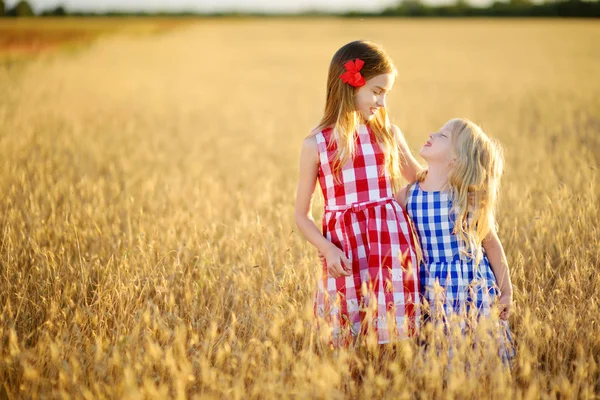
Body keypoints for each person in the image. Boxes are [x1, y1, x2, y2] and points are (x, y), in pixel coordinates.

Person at [294, 40, 422, 346]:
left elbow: (418, 178)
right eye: (377, 92)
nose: (382, 103)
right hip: (346, 252)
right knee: (349, 335)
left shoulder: (388, 133)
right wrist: (327, 249)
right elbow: (301, 214)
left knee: (395, 334)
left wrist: (462, 178)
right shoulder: (317, 144)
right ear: (350, 84)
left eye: (386, 94)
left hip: (391, 246)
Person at [397, 118, 514, 359]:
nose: (432, 133)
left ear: (455, 159)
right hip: (433, 288)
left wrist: (506, 292)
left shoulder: (466, 197)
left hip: (474, 287)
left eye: (442, 136)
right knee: (438, 351)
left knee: (480, 349)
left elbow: (491, 244)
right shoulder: (410, 194)